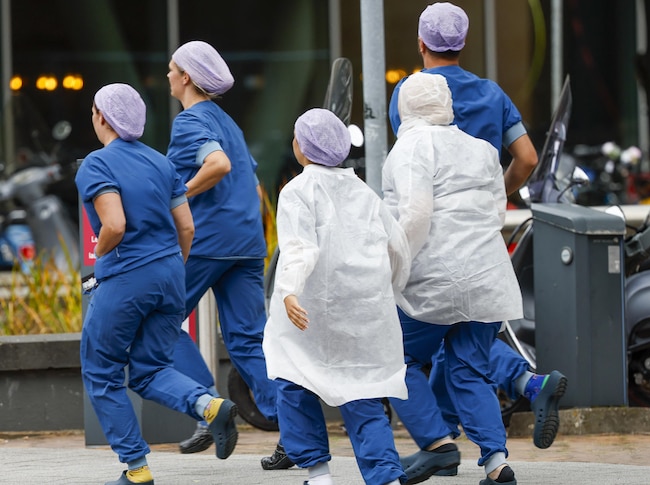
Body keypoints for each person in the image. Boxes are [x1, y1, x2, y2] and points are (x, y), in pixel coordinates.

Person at [388, 1, 566, 453]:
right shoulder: (491, 93)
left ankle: (438, 442)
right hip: (480, 240)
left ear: (421, 43)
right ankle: (514, 406)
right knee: (466, 341)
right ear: (464, 43)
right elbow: (527, 158)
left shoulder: (411, 93)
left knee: (404, 348)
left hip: (429, 246)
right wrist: (494, 196)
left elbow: (413, 186)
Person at [77, 83, 238, 485]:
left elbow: (114, 224)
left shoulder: (96, 164)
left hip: (126, 278)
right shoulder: (161, 163)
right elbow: (186, 226)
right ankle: (209, 406)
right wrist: (170, 267)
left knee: (102, 372)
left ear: (101, 117)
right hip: (169, 276)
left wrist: (104, 261)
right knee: (150, 370)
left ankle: (137, 469)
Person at [384, 71, 523, 485]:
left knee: (393, 359)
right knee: (469, 370)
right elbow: (496, 209)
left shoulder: (409, 148)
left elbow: (414, 216)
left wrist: (391, 268)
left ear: (403, 107)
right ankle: (497, 464)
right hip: (486, 276)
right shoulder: (482, 149)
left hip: (433, 278)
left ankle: (437, 445)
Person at [262, 108, 410, 485]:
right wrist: (388, 289)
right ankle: (386, 477)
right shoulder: (364, 192)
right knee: (364, 394)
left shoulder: (297, 190)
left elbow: (298, 248)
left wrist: (290, 291)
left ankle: (318, 474)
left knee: (293, 382)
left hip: (309, 312)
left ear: (302, 147)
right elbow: (398, 247)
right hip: (363, 314)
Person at [164, 40, 289, 470]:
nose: (167, 75)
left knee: (161, 318)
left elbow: (217, 165)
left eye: (171, 69)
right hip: (247, 243)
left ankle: (207, 408)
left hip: (206, 242)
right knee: (249, 337)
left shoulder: (189, 121)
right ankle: (291, 433)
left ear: (186, 78)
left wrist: (174, 196)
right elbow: (254, 189)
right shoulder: (228, 122)